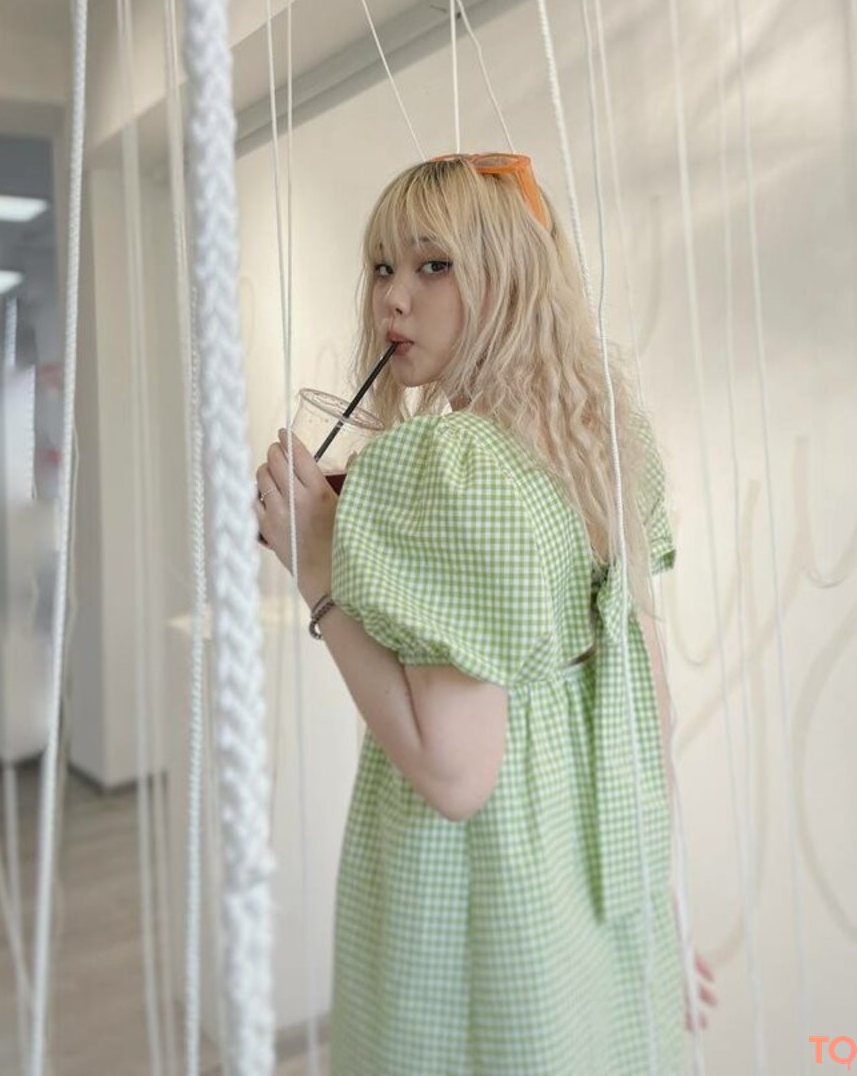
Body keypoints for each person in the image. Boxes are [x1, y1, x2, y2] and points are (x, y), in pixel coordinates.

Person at [255, 153, 716, 1074]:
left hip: (482, 887)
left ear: (511, 280)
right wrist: (663, 904)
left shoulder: (446, 466)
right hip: (594, 870)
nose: (393, 297)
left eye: (434, 264)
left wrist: (317, 568)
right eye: (383, 265)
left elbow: (455, 773)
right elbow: (649, 701)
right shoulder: (602, 437)